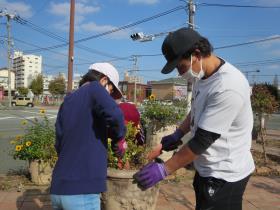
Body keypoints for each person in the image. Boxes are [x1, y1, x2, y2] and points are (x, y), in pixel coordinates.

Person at [133, 27, 255, 210]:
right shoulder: (202, 76)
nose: (181, 73)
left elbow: (201, 142)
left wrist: (164, 169)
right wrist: (179, 133)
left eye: (181, 67)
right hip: (207, 168)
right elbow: (197, 110)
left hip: (225, 173)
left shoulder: (228, 86)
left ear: (196, 54)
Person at [50, 62, 127, 210]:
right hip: (82, 190)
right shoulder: (95, 88)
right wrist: (119, 138)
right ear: (104, 80)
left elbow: (58, 143)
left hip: (58, 189)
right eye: (110, 91)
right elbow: (116, 115)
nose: (109, 96)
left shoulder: (68, 100)